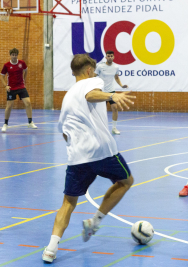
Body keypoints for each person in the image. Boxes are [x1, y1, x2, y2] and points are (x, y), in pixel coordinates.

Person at [42, 54, 136, 263]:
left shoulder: (67, 97)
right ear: (88, 70)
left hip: (77, 157)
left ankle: (50, 249)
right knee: (126, 181)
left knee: (68, 203)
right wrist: (112, 96)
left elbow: (63, 131)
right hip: (102, 152)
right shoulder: (94, 82)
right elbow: (91, 94)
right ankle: (94, 223)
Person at [0, 48, 37, 132]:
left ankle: (30, 122)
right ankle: (5, 124)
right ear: (10, 55)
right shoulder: (6, 65)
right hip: (11, 88)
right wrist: (6, 86)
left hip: (21, 87)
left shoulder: (22, 63)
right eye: (12, 55)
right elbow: (1, 76)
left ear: (17, 55)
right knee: (9, 106)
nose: (14, 56)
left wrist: (24, 79)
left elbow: (26, 70)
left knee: (28, 103)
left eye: (15, 55)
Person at [95, 50, 128, 135]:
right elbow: (94, 76)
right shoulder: (100, 66)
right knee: (101, 111)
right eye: (108, 56)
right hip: (102, 92)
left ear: (113, 57)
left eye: (111, 56)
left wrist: (121, 85)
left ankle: (114, 128)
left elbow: (116, 77)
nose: (110, 57)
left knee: (115, 108)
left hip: (112, 92)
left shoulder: (116, 67)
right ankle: (100, 129)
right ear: (106, 57)